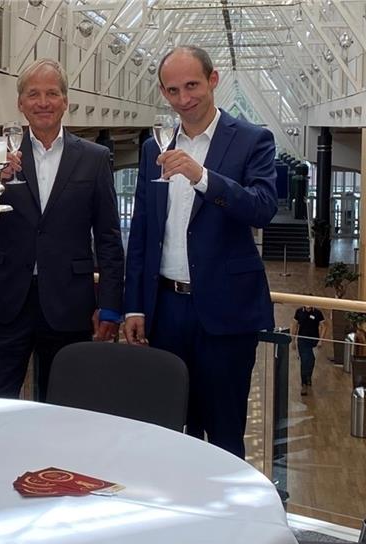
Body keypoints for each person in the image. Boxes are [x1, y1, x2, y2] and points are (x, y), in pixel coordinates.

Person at [123, 46, 278, 459]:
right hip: (166, 308)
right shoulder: (152, 147)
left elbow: (262, 208)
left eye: (192, 85)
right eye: (173, 90)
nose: (183, 98)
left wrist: (204, 177)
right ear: (163, 92)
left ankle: (229, 521)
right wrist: (134, 306)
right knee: (171, 427)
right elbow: (141, 232)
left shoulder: (252, 140)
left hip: (226, 313)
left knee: (225, 433)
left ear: (213, 80)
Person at [0, 58, 125, 402]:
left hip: (70, 302)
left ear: (66, 100)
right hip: (7, 300)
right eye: (33, 94)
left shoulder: (94, 158)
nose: (43, 102)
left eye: (52, 93)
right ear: (20, 103)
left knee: (65, 403)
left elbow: (109, 238)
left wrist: (110, 306)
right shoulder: (0, 152)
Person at [291, 304, 327, 396]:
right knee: (304, 360)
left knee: (311, 360)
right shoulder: (299, 312)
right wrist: (293, 340)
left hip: (314, 341)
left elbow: (324, 326)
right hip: (302, 341)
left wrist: (321, 340)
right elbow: (295, 325)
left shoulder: (317, 313)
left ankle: (308, 377)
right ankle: (303, 383)